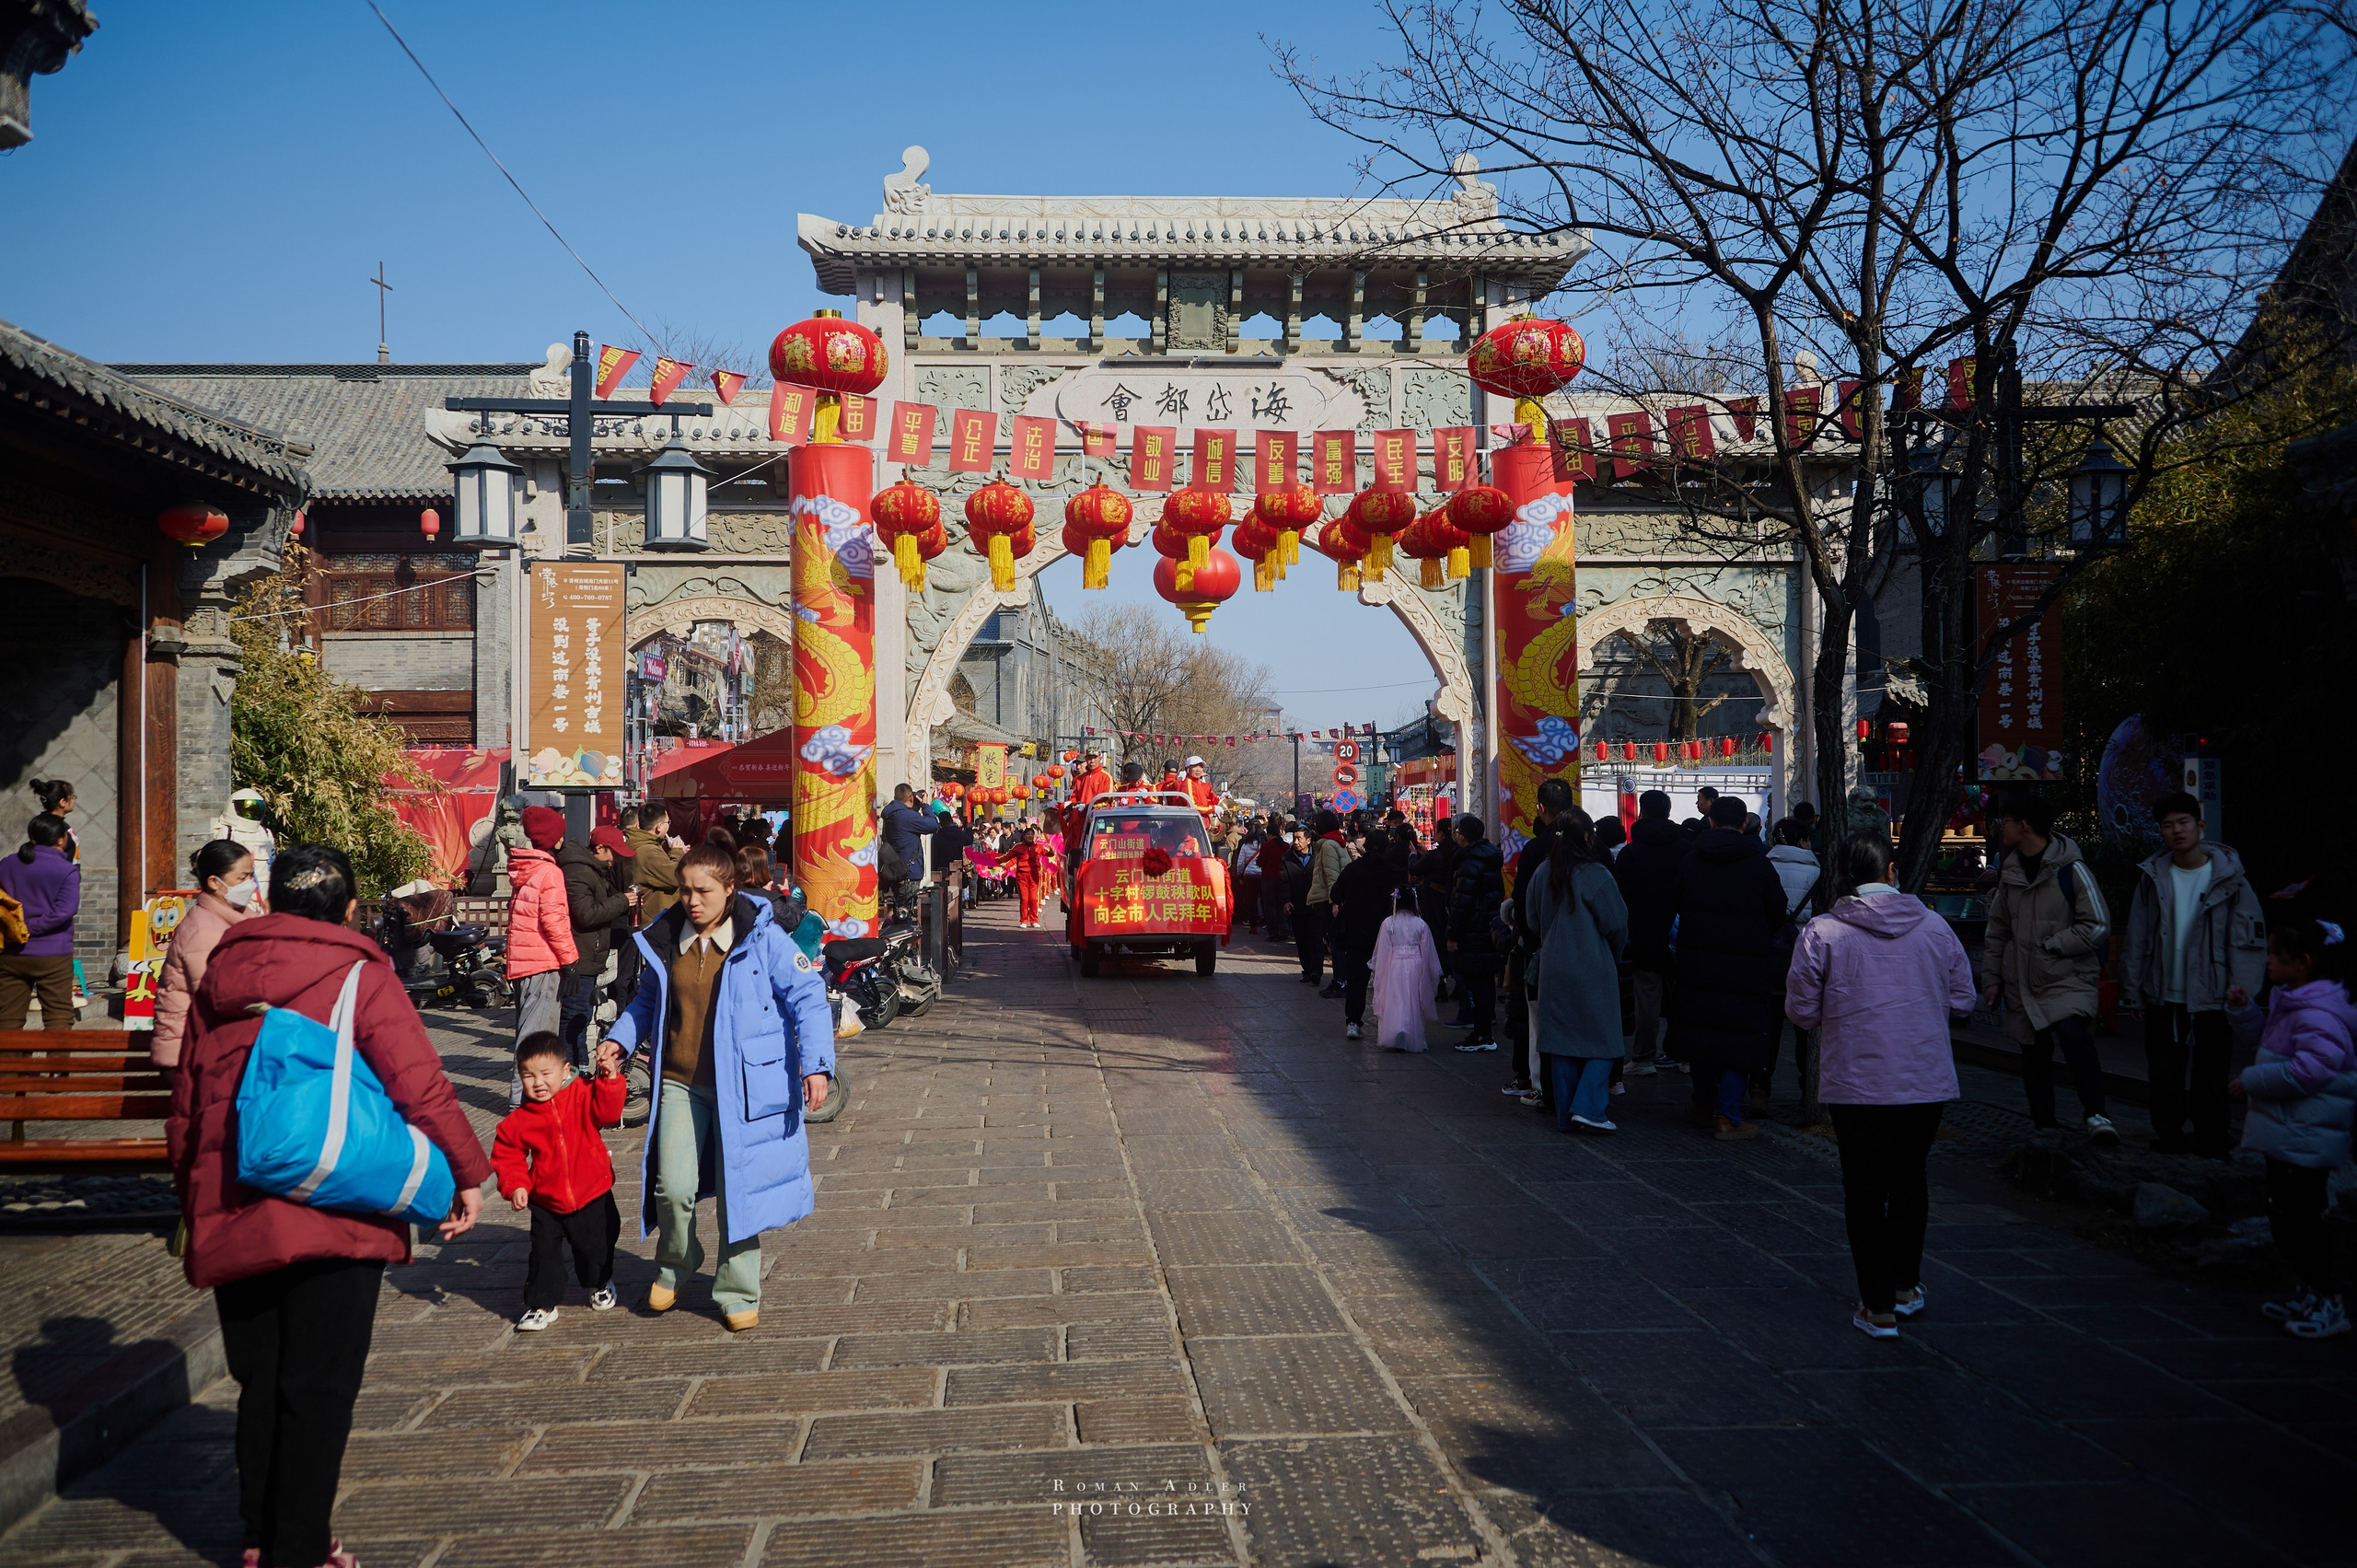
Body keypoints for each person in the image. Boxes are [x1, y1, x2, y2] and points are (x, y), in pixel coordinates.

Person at [168, 843, 488, 1568]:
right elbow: (419, 1082)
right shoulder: (358, 971)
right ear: (350, 909)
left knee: (261, 1379)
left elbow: (186, 1098)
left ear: (270, 901)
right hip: (337, 1201)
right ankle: (301, 1548)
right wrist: (466, 1170)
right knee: (318, 1385)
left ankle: (259, 1536)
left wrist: (191, 1190)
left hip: (232, 1199)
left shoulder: (221, 968)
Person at [598, 842, 832, 1330]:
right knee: (673, 1187)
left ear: (730, 889)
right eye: (684, 890)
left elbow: (808, 996)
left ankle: (738, 1288)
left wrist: (816, 1065)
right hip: (679, 1084)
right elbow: (646, 1001)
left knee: (738, 1191)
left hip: (746, 1087)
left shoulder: (762, 938)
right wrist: (620, 1039)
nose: (692, 900)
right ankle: (679, 1262)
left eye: (703, 890)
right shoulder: (664, 938)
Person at [1784, 833, 1977, 1339]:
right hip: (1923, 1078)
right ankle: (1906, 1287)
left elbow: (1801, 1012)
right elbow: (1964, 1001)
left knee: (1865, 1190)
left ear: (1845, 877)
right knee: (1911, 1180)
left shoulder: (1822, 931)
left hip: (1856, 1081)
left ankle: (1878, 1308)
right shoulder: (1936, 927)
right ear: (1892, 871)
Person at [2119, 791, 2267, 1157]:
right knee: (2164, 1073)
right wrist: (2133, 989)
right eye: (2168, 825)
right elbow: (2138, 936)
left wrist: (2242, 992)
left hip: (2213, 993)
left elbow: (2247, 941)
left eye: (2183, 822)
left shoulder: (2230, 879)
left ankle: (2213, 1137)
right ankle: (2169, 1135)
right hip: (2162, 990)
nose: (2177, 831)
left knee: (2211, 1071)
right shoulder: (2152, 877)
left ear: (2199, 826)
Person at [2237, 917, 2357, 1340]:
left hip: (2307, 1132)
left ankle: (2329, 1300)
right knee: (2287, 1216)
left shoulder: (2319, 1012)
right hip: (2292, 1131)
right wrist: (2243, 1013)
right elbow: (2272, 1046)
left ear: (2303, 962)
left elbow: (2309, 1070)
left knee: (2300, 1220)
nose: (2267, 961)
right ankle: (2311, 1291)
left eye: (2275, 954)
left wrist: (2248, 1082)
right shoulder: (2296, 1000)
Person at [1980, 792, 2118, 1144]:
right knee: (2033, 1056)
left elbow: (2098, 925)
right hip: (2023, 984)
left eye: (2004, 822)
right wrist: (1992, 978)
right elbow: (1997, 931)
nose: (2001, 829)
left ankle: (2097, 1115)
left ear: (2023, 826)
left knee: (2074, 1038)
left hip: (2068, 978)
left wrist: (2054, 946)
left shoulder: (2072, 869)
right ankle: (2045, 1128)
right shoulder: (2009, 874)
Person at [1666, 796, 1788, 1139]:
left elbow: (1676, 903)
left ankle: (1703, 1105)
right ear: (1746, 824)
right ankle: (1728, 1115)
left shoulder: (1692, 861)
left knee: (1703, 1035)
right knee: (1740, 1039)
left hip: (1698, 962)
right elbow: (1777, 910)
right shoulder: (1759, 863)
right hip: (1746, 965)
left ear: (1711, 822)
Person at [493, 1029, 627, 1331]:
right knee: (543, 1254)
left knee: (596, 1247)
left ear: (565, 1070)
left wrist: (610, 1079)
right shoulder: (521, 1119)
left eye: (545, 1073)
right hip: (546, 1199)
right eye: (528, 1075)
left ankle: (599, 1282)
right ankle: (541, 1304)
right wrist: (516, 1184)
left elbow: (608, 1112)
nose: (537, 1082)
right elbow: (507, 1153)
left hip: (592, 1191)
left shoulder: (582, 1093)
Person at [1526, 808, 1631, 1133]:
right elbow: (1616, 923)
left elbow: (1531, 919)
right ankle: (1588, 1106)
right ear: (1588, 837)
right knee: (1605, 1039)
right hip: (1592, 963)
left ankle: (1566, 1113)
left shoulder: (1543, 872)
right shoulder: (1596, 873)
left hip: (1552, 964)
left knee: (1561, 1042)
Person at [153, 839, 264, 1072]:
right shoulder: (206, 930)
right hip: (190, 1052)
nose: (250, 884)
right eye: (242, 878)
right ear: (215, 882)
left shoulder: (232, 919)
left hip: (205, 1043)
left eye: (251, 876)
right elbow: (218, 995)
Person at [505, 807, 578, 1101]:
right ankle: (521, 1103)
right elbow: (554, 922)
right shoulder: (550, 872)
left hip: (524, 963)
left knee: (528, 1034)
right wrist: (570, 961)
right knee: (537, 1040)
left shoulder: (525, 869)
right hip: (543, 964)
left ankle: (526, 1100)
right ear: (554, 839)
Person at [1614, 791, 1688, 1076]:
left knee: (1647, 999)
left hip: (1644, 934)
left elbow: (1622, 896)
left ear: (1642, 812)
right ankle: (1684, 1055)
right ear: (1668, 811)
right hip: (1680, 934)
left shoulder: (1631, 852)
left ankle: (1644, 1057)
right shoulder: (1685, 848)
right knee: (1683, 996)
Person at [557, 824, 637, 1070]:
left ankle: (579, 1066)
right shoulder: (579, 872)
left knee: (581, 1016)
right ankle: (572, 1070)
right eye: (613, 852)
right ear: (599, 848)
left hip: (589, 954)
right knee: (574, 1017)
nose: (615, 859)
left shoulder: (594, 870)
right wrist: (622, 901)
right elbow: (586, 914)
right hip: (579, 956)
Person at [0, 815, 79, 1030]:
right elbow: (65, 911)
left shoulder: (6, 864)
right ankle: (57, 1065)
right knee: (58, 1017)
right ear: (61, 840)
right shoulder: (67, 870)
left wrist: (18, 927)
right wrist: (30, 928)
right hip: (53, 954)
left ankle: (10, 1064)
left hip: (11, 952)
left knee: (7, 1019)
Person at [1330, 827, 1406, 1040]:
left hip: (1356, 932)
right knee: (1390, 979)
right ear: (1386, 847)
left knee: (1356, 978)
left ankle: (1353, 1021)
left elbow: (1335, 893)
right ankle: (1395, 1023)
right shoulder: (1394, 871)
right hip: (1387, 933)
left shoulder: (1352, 870)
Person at [1447, 815, 1506, 1051]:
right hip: (1487, 928)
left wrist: (1452, 934)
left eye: (1458, 831)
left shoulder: (1470, 862)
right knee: (1485, 981)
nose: (1456, 835)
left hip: (1473, 931)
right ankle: (1484, 1030)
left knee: (1475, 981)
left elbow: (1462, 902)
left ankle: (1482, 1034)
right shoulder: (1488, 857)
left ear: (1464, 835)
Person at [1302, 810, 1351, 993]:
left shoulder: (1328, 845)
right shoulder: (1336, 842)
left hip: (1330, 901)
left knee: (1336, 943)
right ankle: (1341, 980)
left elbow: (1333, 877)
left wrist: (1335, 902)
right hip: (1333, 899)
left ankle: (1339, 981)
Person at [625, 803, 684, 918]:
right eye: (668, 822)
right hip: (653, 916)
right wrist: (677, 852)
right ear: (659, 827)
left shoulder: (644, 844)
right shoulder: (648, 851)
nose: (669, 826)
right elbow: (675, 877)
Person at [878, 784, 936, 896]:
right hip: (908, 873)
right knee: (907, 909)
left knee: (897, 909)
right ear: (911, 798)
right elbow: (933, 825)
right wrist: (925, 805)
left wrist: (915, 806)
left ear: (895, 798)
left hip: (893, 868)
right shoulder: (908, 816)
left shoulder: (891, 814)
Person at [1258, 823, 1295, 943]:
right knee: (1281, 905)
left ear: (1269, 834)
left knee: (1270, 907)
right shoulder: (1285, 846)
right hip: (1282, 879)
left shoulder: (1266, 846)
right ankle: (1284, 929)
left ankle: (1273, 933)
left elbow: (1260, 862)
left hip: (1268, 879)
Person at [1008, 826, 1051, 929]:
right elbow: (1008, 857)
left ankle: (1034, 920)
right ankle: (1023, 920)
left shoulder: (1039, 847)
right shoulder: (1018, 847)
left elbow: (1049, 853)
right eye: (1028, 834)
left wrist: (1053, 846)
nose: (1030, 836)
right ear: (1024, 836)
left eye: (1032, 834)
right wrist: (998, 862)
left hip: (1034, 876)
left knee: (1033, 898)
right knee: (1024, 899)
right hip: (1022, 876)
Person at [29, 778, 80, 861]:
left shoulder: (46, 823)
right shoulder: (50, 827)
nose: (74, 800)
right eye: (72, 796)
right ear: (63, 802)